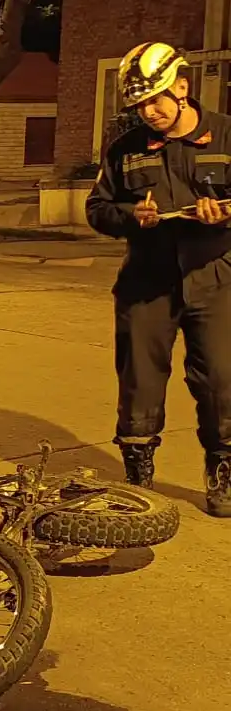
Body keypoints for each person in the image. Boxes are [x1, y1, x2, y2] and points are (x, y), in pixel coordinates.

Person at [86, 41, 231, 516]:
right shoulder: (125, 150)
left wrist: (222, 217)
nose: (148, 112)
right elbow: (98, 209)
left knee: (220, 380)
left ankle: (223, 468)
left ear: (183, 88)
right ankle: (139, 476)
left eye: (155, 100)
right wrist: (133, 217)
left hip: (215, 276)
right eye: (139, 105)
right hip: (146, 280)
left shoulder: (226, 136)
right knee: (140, 381)